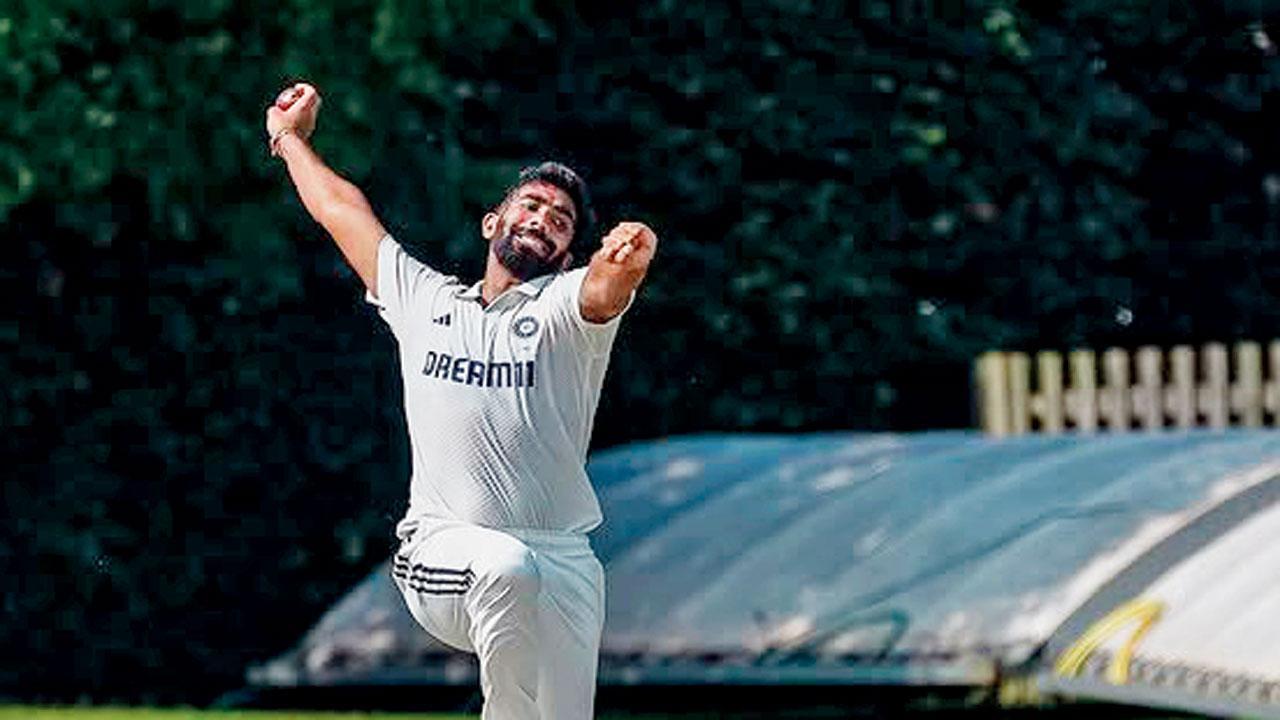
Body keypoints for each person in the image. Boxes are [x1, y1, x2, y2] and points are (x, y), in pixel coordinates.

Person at [265, 82, 657, 719]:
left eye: (560, 222)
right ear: (491, 224)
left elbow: (606, 289)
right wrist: (288, 138)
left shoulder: (564, 311)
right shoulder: (426, 301)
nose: (543, 220)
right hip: (443, 548)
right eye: (531, 206)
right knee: (506, 566)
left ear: (566, 257)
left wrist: (630, 258)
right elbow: (342, 211)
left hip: (564, 559)